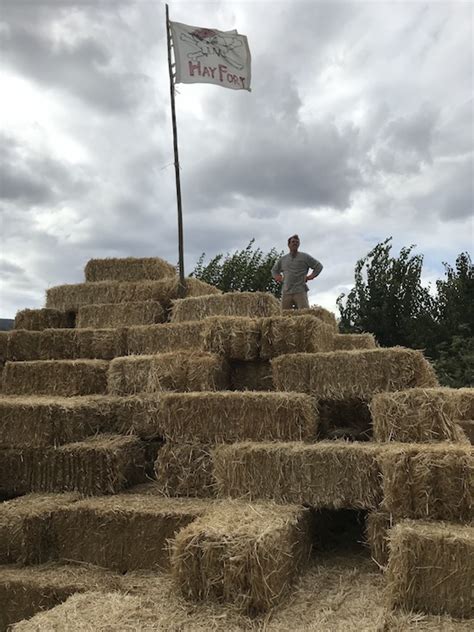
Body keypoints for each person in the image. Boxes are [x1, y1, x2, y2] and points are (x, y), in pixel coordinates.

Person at [271, 234, 323, 309]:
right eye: (293, 242)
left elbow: (318, 266)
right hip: (286, 291)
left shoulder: (305, 257)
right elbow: (274, 270)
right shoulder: (283, 259)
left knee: (304, 314)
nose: (295, 243)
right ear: (288, 245)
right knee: (284, 315)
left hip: (300, 290)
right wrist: (277, 277)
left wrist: (311, 276)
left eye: (297, 242)